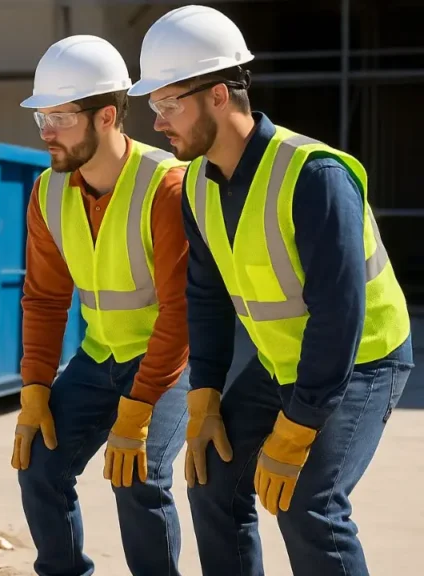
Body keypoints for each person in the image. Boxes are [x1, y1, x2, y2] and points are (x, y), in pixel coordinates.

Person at [128, 6, 414, 576]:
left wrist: (298, 427)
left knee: (309, 506)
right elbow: (206, 298)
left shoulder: (314, 177)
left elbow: (339, 315)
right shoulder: (199, 190)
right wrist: (205, 392)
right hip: (281, 361)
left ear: (216, 95)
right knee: (211, 481)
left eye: (168, 104)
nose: (157, 123)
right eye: (153, 106)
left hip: (363, 359)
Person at [12, 35, 192, 576]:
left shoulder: (166, 186)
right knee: (40, 466)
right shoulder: (48, 192)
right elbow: (44, 299)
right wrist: (35, 387)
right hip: (100, 359)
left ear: (106, 116)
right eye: (40, 116)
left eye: (60, 117)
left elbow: (181, 313)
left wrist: (138, 409)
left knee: (137, 477)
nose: (46, 132)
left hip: (172, 363)